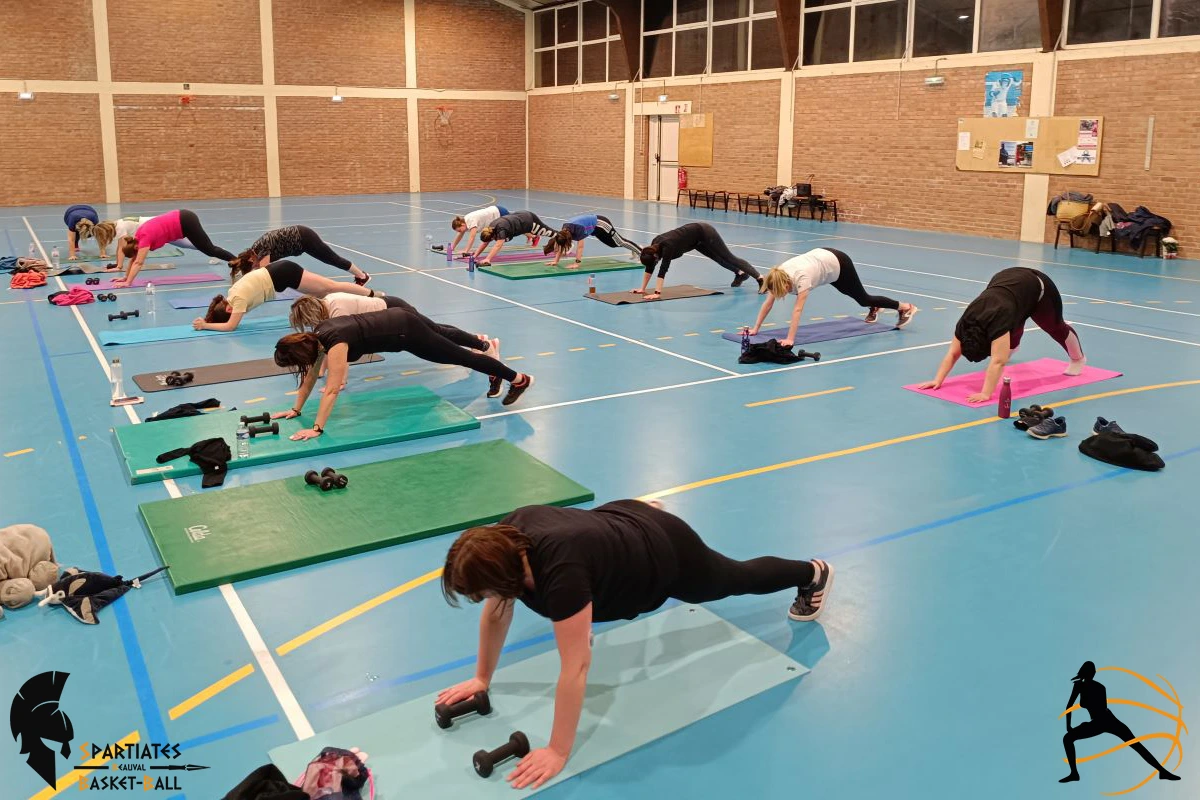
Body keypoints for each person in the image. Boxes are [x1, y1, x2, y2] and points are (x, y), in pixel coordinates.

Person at [437, 499, 833, 789]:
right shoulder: (506, 540)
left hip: (664, 550)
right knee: (576, 597)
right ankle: (647, 512)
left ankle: (812, 573)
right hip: (617, 521)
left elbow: (576, 668)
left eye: (481, 592)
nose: (481, 600)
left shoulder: (561, 575)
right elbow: (496, 612)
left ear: (503, 574)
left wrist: (557, 751)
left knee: (734, 579)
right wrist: (481, 678)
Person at [272, 309, 532, 433]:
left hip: (406, 332)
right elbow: (309, 378)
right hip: (400, 321)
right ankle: (491, 358)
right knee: (451, 345)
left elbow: (331, 390)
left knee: (463, 358)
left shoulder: (335, 344)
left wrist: (316, 428)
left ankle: (518, 379)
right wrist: (296, 409)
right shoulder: (317, 335)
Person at [918, 267, 1085, 404]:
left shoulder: (997, 323)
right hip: (1008, 286)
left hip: (1038, 287)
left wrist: (985, 393)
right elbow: (953, 353)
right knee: (1014, 319)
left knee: (1054, 327)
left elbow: (998, 361)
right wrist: (937, 380)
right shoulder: (965, 324)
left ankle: (1078, 359)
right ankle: (1011, 346)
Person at [750, 248, 918, 347]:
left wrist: (790, 339)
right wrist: (755, 328)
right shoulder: (777, 276)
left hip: (838, 264)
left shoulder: (802, 277)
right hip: (822, 262)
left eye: (784, 291)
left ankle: (905, 307)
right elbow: (768, 303)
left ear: (786, 283)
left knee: (863, 299)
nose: (782, 294)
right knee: (854, 295)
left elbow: (798, 309)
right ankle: (874, 307)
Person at [1059, 661, 1180, 784]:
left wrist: (1080, 725)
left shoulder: (1098, 687)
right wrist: (1070, 726)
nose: (1093, 673)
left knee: (1135, 744)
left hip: (1107, 720)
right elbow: (1069, 706)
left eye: (1093, 671)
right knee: (1067, 739)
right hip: (1100, 721)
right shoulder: (1080, 686)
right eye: (1091, 671)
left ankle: (1162, 771)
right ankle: (1074, 773)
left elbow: (1100, 709)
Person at [194, 260, 379, 332]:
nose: (237, 315)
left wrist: (205, 325)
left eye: (232, 313)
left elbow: (230, 326)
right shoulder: (231, 295)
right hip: (279, 276)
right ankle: (364, 301)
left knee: (330, 288)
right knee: (323, 294)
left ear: (228, 309)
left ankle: (373, 295)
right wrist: (210, 318)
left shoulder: (238, 299)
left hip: (283, 273)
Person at [635, 222, 762, 300]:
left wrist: (657, 293)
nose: (655, 264)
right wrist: (642, 288)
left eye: (655, 262)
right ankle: (740, 273)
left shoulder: (667, 246)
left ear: (656, 256)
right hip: (694, 241)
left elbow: (663, 270)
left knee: (728, 257)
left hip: (704, 232)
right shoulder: (652, 248)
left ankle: (760, 279)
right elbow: (650, 267)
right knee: (717, 258)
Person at [115, 209, 236, 287]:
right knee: (206, 249)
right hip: (180, 221)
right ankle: (236, 261)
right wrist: (125, 277)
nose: (136, 255)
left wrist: (128, 282)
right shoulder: (136, 239)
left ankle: (238, 261)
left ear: (136, 248)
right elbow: (134, 260)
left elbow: (138, 262)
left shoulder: (144, 239)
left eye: (135, 253)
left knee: (209, 250)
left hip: (185, 221)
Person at [228, 225, 371, 285]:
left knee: (333, 259)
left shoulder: (261, 249)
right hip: (301, 241)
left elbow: (265, 272)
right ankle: (361, 275)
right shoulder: (254, 251)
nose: (255, 266)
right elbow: (249, 265)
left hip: (304, 238)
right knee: (331, 260)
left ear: (251, 259)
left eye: (253, 265)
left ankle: (362, 276)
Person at [543, 213, 641, 267]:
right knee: (612, 244)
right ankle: (633, 248)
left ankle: (640, 251)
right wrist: (556, 261)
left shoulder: (578, 230)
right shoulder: (562, 233)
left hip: (601, 224)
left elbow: (580, 247)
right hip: (594, 229)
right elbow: (561, 245)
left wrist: (576, 263)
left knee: (619, 241)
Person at [477, 211, 556, 266]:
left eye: (492, 239)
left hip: (529, 220)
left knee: (552, 234)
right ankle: (534, 237)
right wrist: (474, 256)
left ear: (492, 236)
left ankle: (562, 237)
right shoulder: (490, 228)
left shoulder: (501, 230)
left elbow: (498, 245)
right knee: (510, 235)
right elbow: (485, 243)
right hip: (520, 218)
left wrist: (488, 259)